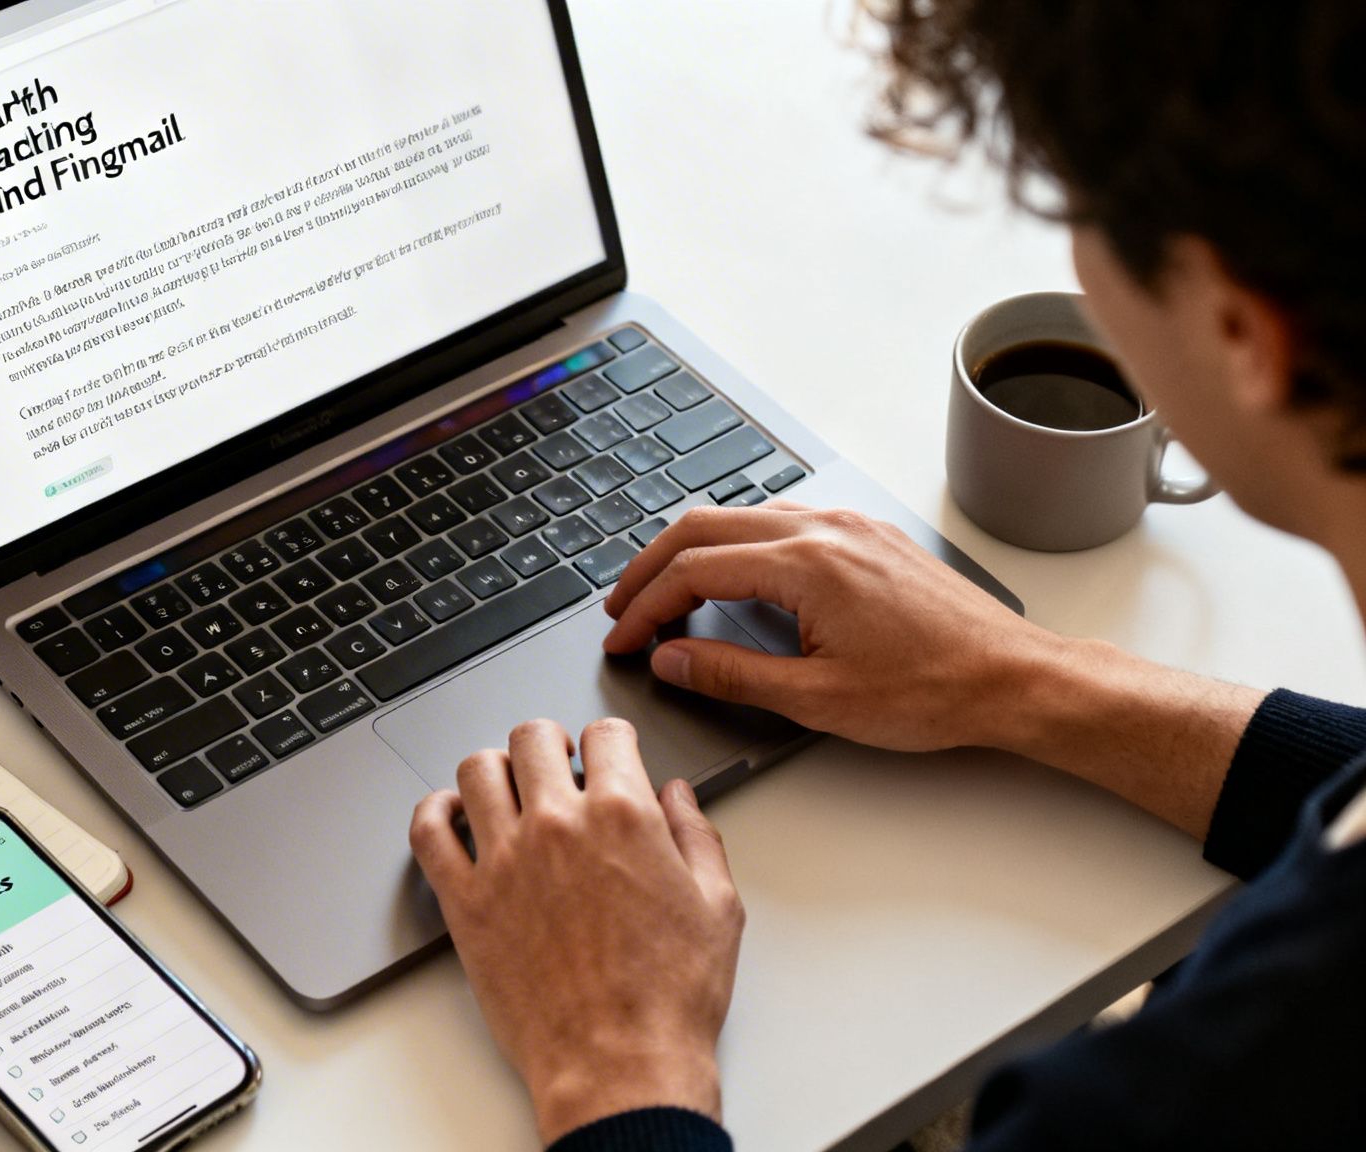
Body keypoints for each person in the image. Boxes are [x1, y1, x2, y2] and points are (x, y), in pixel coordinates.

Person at [406, 2, 1366, 1148]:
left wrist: (613, 1067)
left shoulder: (1177, 1099)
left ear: (1240, 333)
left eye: (1079, 215)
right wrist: (1027, 677)